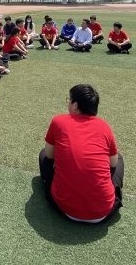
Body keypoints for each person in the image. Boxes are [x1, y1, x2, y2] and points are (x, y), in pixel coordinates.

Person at [39, 84, 123, 223]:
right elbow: (113, 163)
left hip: (64, 207)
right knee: (118, 158)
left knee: (43, 155)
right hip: (103, 211)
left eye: (69, 100)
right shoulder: (104, 126)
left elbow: (49, 155)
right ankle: (108, 189)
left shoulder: (59, 121)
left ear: (75, 105)